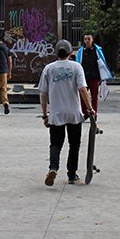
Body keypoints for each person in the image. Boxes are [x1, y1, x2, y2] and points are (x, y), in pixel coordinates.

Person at [39, 39, 95, 186]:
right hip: (74, 113)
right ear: (71, 53)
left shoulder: (48, 68)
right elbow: (82, 89)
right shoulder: (76, 67)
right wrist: (89, 108)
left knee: (55, 144)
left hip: (56, 114)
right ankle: (71, 174)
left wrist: (45, 114)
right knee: (74, 144)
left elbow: (43, 94)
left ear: (56, 53)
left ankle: (53, 168)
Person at [75, 33, 112, 112]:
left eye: (89, 39)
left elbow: (102, 63)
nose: (87, 41)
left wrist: (102, 77)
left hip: (94, 77)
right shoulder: (81, 51)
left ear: (92, 40)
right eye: (85, 39)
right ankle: (85, 112)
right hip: (83, 77)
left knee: (94, 96)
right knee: (82, 95)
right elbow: (77, 64)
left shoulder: (97, 50)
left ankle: (94, 113)